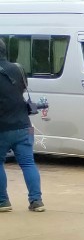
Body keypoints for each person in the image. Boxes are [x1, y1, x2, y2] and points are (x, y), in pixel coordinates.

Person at [0, 40, 43, 212]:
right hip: (23, 124)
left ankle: (3, 202)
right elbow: (21, 90)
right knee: (28, 163)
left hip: (1, 127)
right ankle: (36, 201)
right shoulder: (18, 69)